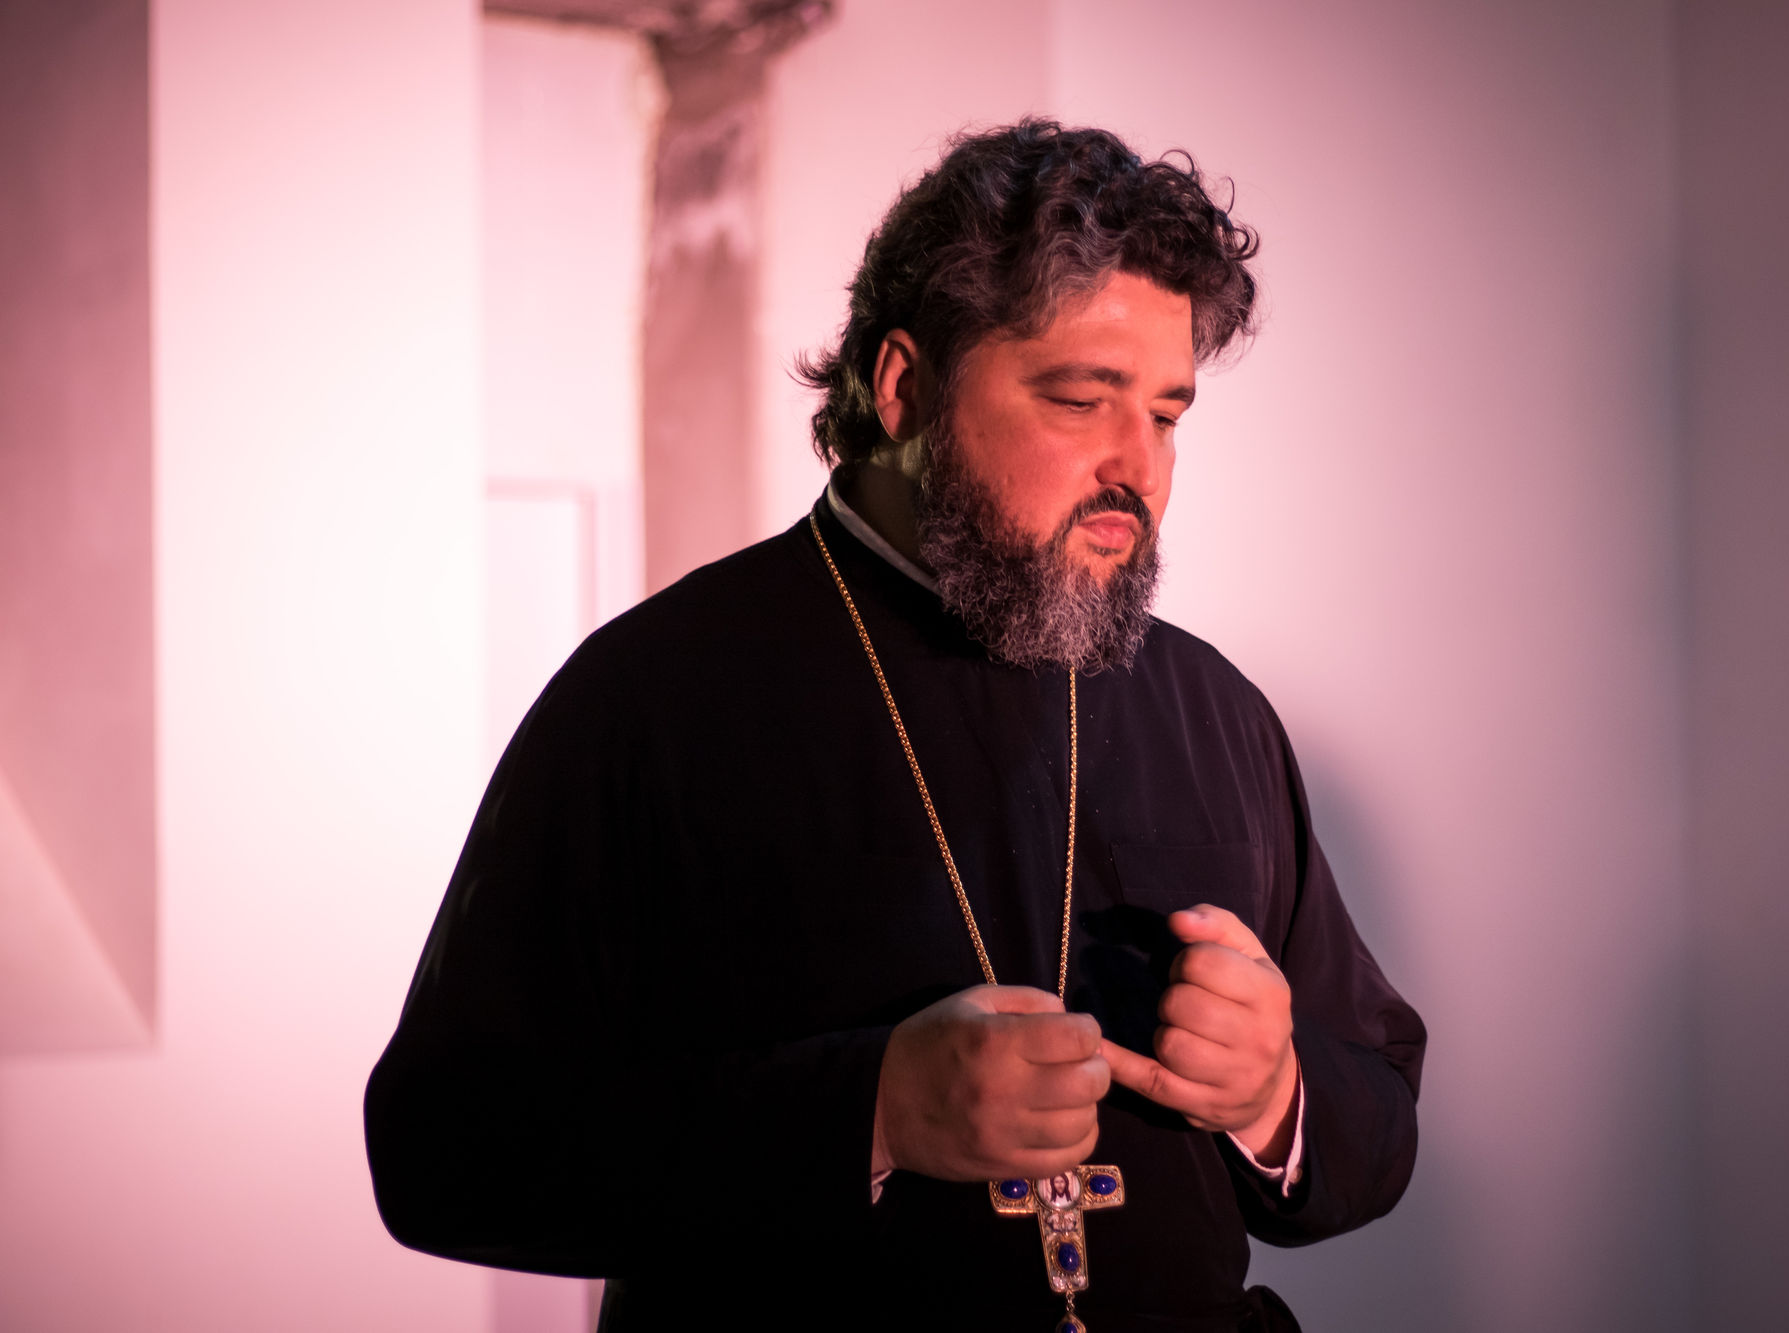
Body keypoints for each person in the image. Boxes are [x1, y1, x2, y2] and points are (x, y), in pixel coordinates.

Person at [364, 119, 1425, 1333]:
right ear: (904, 387)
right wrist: (867, 1112)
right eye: (1080, 399)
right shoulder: (654, 698)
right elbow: (444, 1149)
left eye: (1167, 414)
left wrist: (1274, 1097)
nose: (1136, 466)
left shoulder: (1213, 714)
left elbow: (1379, 1116)